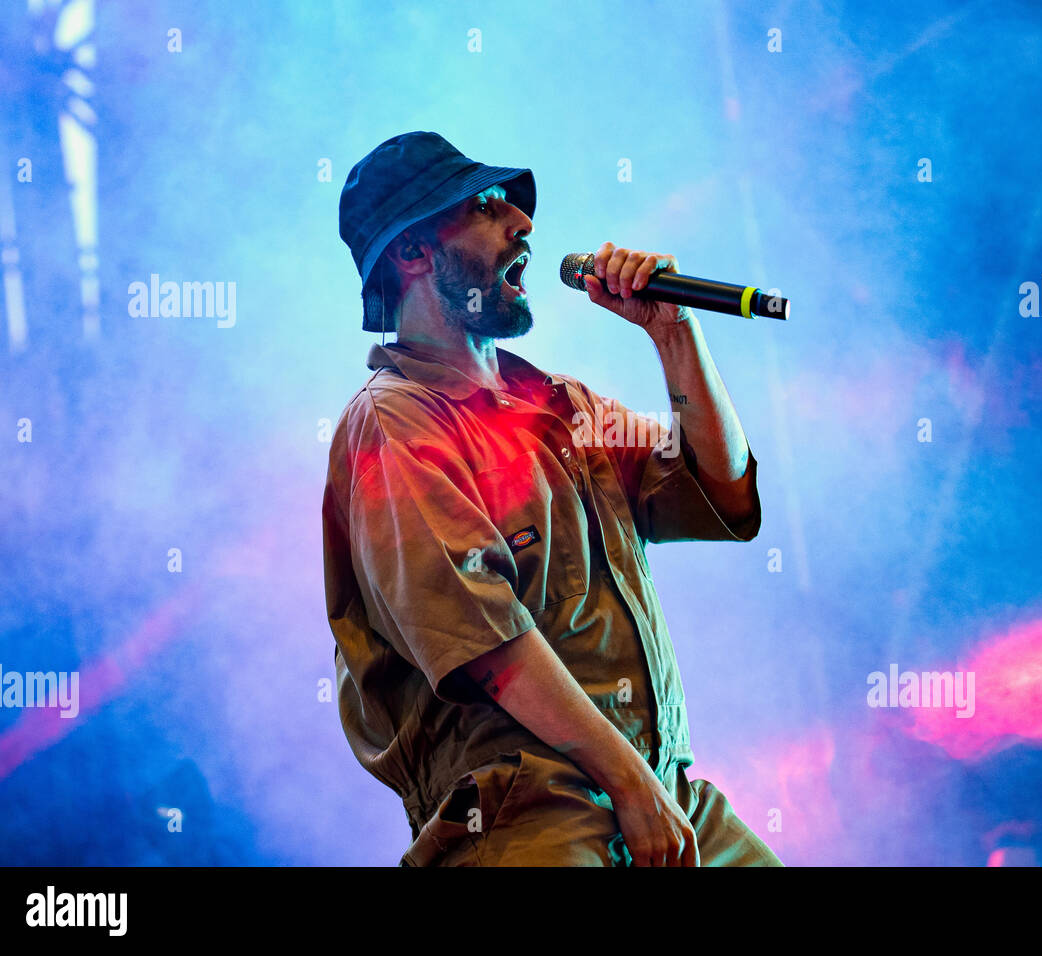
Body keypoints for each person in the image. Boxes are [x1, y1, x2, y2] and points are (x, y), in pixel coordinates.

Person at [323, 131, 781, 866]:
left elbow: (720, 490)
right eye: (485, 206)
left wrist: (675, 335)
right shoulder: (395, 420)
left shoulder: (561, 406)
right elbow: (487, 645)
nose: (524, 224)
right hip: (526, 813)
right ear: (412, 252)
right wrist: (629, 788)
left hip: (664, 789)